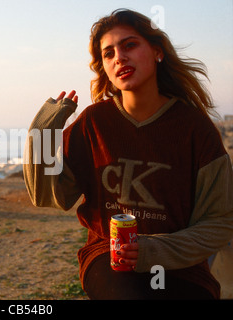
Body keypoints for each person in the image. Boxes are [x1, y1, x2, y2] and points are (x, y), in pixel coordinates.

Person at [23, 8, 233, 299]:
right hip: (108, 257)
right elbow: (48, 196)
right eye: (108, 54)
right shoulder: (94, 122)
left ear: (157, 52)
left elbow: (219, 222)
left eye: (130, 45)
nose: (119, 57)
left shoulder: (195, 128)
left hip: (180, 263)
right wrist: (43, 132)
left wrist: (151, 250)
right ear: (105, 68)